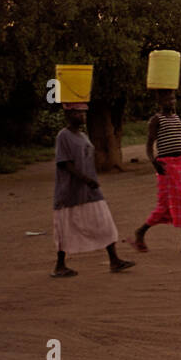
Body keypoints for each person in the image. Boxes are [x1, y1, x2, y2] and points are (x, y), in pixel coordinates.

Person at [52, 104, 133, 276]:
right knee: (66, 227)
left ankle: (114, 260)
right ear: (69, 114)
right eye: (78, 112)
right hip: (70, 192)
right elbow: (65, 163)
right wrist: (86, 179)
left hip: (90, 191)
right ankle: (60, 265)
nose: (82, 115)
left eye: (84, 112)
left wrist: (90, 181)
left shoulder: (82, 136)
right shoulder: (63, 136)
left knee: (104, 223)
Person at [132, 90, 181, 253]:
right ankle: (141, 231)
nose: (172, 102)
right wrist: (153, 162)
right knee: (165, 204)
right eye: (168, 99)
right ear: (160, 102)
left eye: (173, 99)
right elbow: (149, 144)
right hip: (166, 165)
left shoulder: (176, 118)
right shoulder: (156, 120)